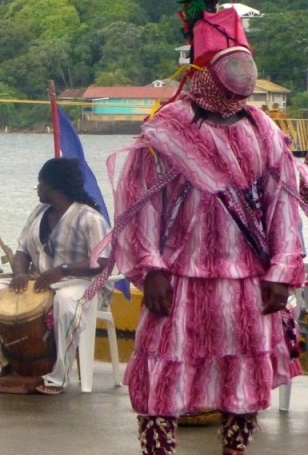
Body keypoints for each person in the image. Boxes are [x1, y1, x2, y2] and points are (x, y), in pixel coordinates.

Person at [112, 60, 303, 454]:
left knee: (245, 384)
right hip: (178, 276)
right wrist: (150, 268)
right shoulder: (167, 129)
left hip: (246, 278)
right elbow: (141, 200)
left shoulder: (262, 130)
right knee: (160, 380)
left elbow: (281, 203)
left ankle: (235, 449)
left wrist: (282, 271)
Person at [0, 157, 110, 395]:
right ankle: (8, 364)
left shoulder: (89, 218)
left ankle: (58, 376)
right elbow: (22, 250)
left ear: (55, 187)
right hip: (38, 279)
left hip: (79, 281)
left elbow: (101, 262)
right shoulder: (39, 211)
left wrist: (64, 270)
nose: (37, 188)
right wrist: (19, 273)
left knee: (65, 303)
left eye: (40, 183)